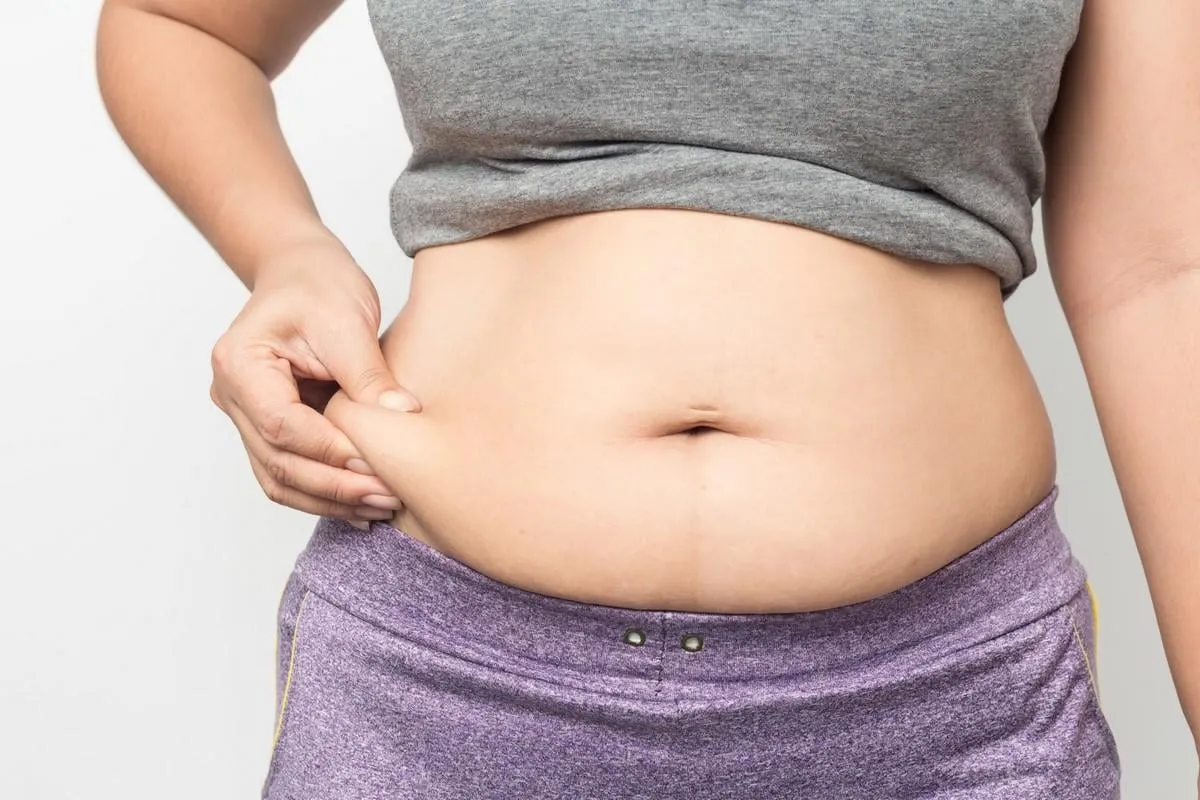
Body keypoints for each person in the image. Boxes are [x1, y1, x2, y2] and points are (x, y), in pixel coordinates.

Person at [95, 0, 1199, 797]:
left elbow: (1161, 280)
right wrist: (286, 252)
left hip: (944, 697)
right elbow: (181, 24)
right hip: (445, 681)